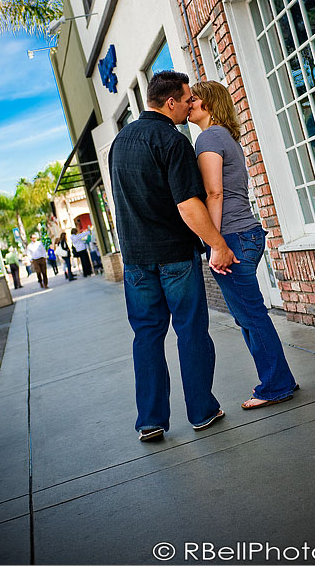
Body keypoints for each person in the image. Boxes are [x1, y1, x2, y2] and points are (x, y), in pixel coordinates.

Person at [109, 69, 238, 442]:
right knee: (191, 331)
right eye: (185, 100)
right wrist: (218, 244)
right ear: (170, 102)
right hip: (175, 258)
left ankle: (150, 421)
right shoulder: (173, 140)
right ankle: (202, 411)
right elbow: (189, 206)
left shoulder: (121, 141)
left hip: (136, 260)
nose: (188, 106)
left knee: (146, 337)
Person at [188, 79, 297, 409]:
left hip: (232, 237)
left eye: (194, 98)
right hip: (246, 234)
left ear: (208, 103)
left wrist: (215, 243)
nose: (188, 103)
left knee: (251, 316)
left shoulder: (209, 137)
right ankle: (278, 379)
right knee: (249, 315)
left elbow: (215, 193)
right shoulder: (224, 137)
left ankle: (276, 385)